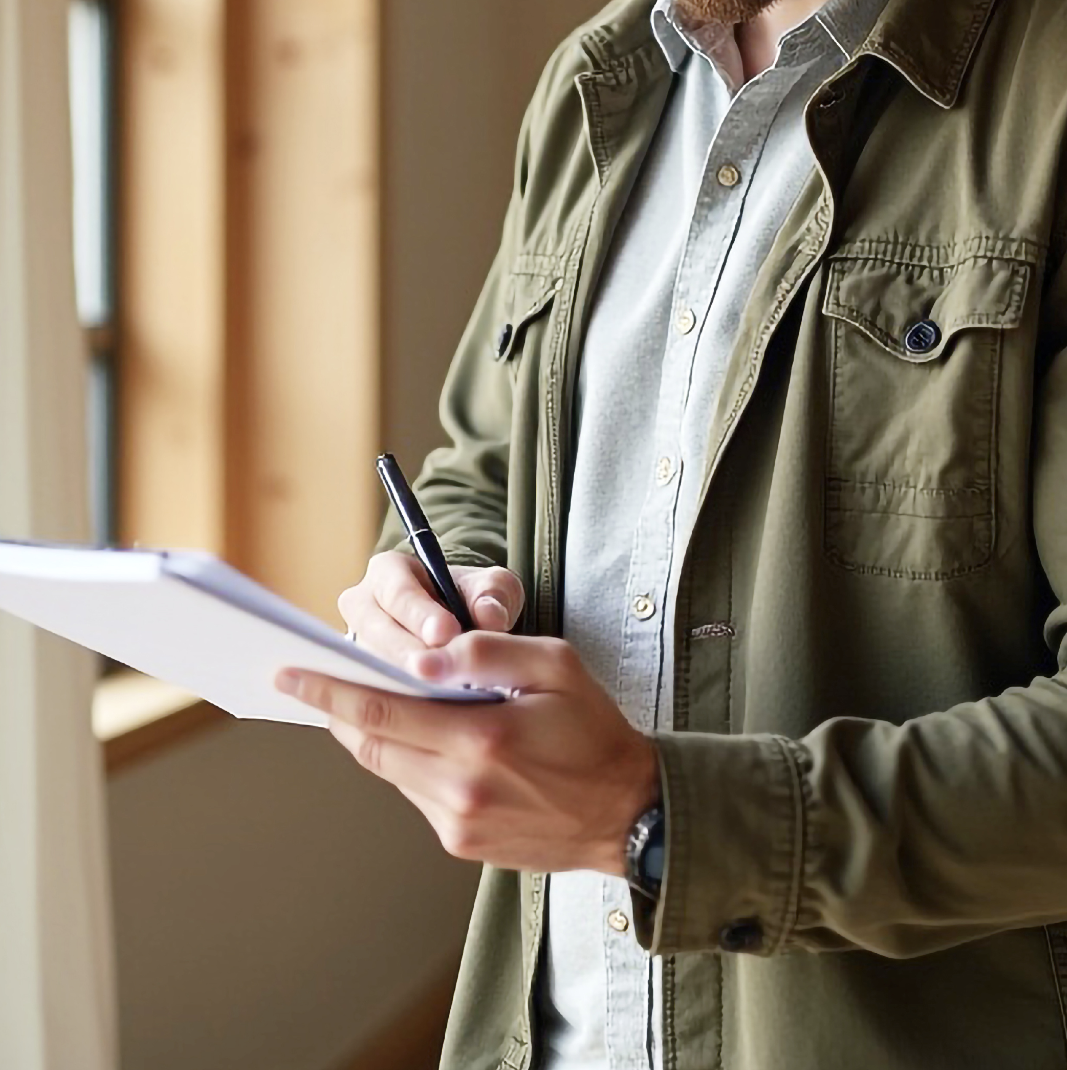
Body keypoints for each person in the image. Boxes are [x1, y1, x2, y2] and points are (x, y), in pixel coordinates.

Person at [275, 0, 1067, 1065]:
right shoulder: (591, 83)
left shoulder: (1046, 91)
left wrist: (659, 823)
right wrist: (436, 572)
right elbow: (483, 460)